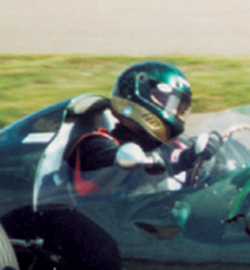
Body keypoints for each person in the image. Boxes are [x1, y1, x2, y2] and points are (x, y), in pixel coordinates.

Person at [65, 61, 220, 194]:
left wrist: (217, 154)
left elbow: (204, 182)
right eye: (164, 100)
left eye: (179, 106)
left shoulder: (174, 147)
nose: (174, 111)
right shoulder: (95, 145)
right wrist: (186, 158)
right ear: (137, 96)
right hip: (104, 223)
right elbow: (135, 171)